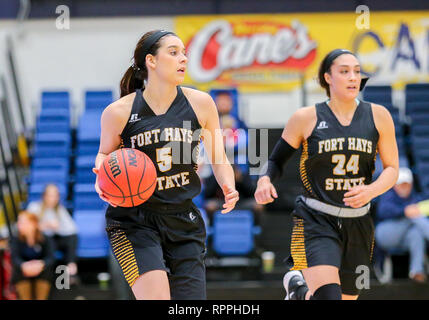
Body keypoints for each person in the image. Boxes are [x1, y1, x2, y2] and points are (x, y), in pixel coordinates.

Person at [92, 30, 239, 300]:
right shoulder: (118, 112)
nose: (183, 58)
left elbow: (219, 157)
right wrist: (101, 172)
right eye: (173, 52)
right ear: (151, 60)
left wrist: (228, 184)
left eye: (184, 52)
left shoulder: (201, 103)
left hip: (183, 218)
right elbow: (104, 155)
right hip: (134, 221)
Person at [254, 48, 399, 300]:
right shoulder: (305, 117)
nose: (353, 77)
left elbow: (393, 169)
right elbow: (276, 160)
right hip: (316, 219)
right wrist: (264, 180)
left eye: (356, 71)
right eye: (344, 71)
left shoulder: (379, 116)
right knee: (329, 296)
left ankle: (300, 292)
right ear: (327, 77)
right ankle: (302, 290)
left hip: (359, 221)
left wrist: (372, 190)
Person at [375, 167, 429, 283]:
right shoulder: (387, 195)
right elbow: (383, 211)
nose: (404, 188)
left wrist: (411, 211)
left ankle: (416, 271)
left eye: (406, 184)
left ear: (411, 184)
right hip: (385, 234)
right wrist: (404, 211)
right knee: (415, 217)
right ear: (394, 185)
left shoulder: (415, 198)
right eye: (401, 184)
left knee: (416, 233)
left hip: (405, 238)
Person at [27, 183, 79, 278]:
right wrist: (44, 225)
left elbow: (72, 229)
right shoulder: (34, 207)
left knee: (72, 237)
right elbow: (27, 227)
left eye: (56, 196)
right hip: (39, 242)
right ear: (44, 196)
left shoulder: (59, 209)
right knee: (49, 239)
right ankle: (49, 273)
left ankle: (71, 265)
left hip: (54, 241)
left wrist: (58, 227)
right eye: (51, 195)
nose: (53, 198)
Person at [9, 211, 55, 300]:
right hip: (23, 272)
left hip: (42, 272)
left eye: (22, 222)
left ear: (33, 224)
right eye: (18, 222)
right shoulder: (15, 239)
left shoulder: (46, 238)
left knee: (46, 277)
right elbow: (15, 258)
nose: (19, 225)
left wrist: (41, 264)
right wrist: (24, 266)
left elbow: (51, 257)